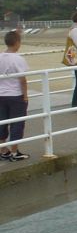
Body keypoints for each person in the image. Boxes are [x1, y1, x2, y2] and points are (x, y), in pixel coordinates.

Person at [0, 30, 30, 161]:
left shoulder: (0, 56)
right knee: (17, 123)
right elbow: (22, 79)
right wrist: (25, 96)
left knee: (2, 122)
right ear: (17, 43)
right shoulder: (18, 59)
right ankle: (14, 152)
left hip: (1, 95)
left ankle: (3, 150)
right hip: (15, 95)